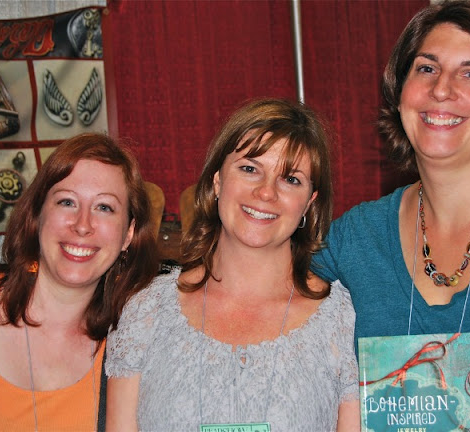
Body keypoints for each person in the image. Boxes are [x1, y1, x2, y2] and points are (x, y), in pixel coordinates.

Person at [312, 1, 470, 431]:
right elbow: (260, 298)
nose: (442, 89)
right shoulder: (357, 238)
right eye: (427, 68)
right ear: (400, 95)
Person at [105, 98, 361, 431]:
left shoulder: (342, 321)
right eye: (250, 169)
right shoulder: (146, 310)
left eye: (291, 179)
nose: (266, 192)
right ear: (217, 181)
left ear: (310, 203)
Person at [0, 133, 159, 431]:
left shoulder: (132, 346)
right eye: (67, 202)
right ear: (37, 215)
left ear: (128, 234)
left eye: (104, 207)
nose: (82, 225)